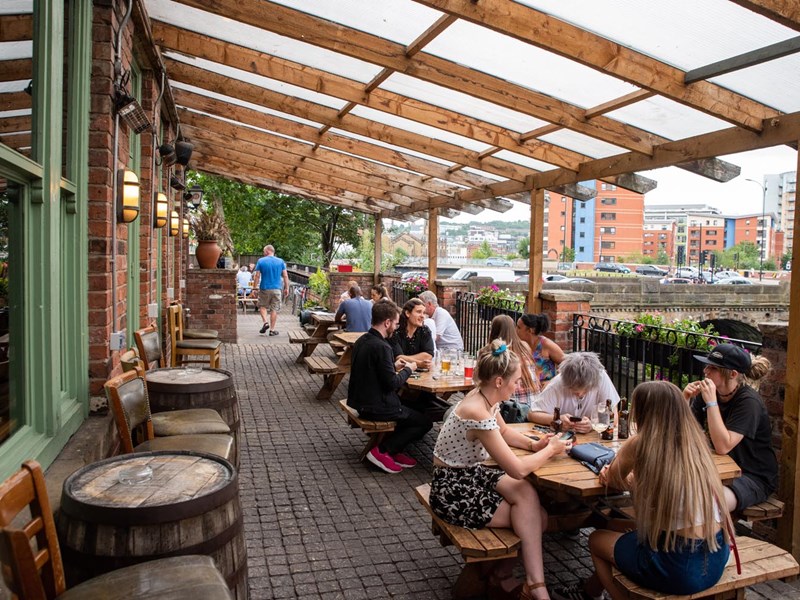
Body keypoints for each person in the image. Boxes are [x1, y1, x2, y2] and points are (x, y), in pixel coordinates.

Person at [553, 381, 731, 600]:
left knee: (596, 539)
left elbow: (613, 480)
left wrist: (617, 474)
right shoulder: (696, 442)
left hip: (678, 567)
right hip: (715, 556)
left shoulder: (642, 442)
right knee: (614, 524)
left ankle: (605, 596)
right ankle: (589, 590)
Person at [430, 339, 571, 600]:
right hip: (452, 489)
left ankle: (518, 581)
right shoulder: (477, 411)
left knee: (528, 496)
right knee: (536, 518)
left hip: (470, 475)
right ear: (498, 381)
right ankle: (530, 586)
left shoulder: (483, 397)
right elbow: (517, 469)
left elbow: (504, 431)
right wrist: (549, 450)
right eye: (516, 381)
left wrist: (534, 444)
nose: (518, 386)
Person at [683, 343, 777, 512]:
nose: (706, 371)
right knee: (674, 488)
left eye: (713, 368)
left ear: (732, 374)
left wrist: (711, 403)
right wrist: (685, 400)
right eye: (707, 366)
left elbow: (723, 446)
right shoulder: (709, 394)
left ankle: (716, 538)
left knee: (706, 505)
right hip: (718, 470)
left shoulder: (749, 402)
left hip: (751, 477)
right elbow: (685, 433)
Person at [347, 301, 432, 473]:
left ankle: (395, 450)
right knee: (424, 422)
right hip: (374, 405)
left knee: (413, 408)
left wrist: (394, 367)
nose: (395, 326)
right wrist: (409, 369)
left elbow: (374, 371)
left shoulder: (363, 340)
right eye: (394, 323)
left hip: (360, 399)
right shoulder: (382, 347)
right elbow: (392, 384)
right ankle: (383, 451)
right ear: (387, 323)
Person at [527, 352, 619, 432]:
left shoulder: (601, 377)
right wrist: (557, 419)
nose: (580, 394)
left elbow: (613, 417)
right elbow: (532, 414)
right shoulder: (557, 383)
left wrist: (592, 425)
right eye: (574, 390)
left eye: (586, 390)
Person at [488, 315, 540, 415]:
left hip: (514, 410)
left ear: (493, 331)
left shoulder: (496, 352)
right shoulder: (524, 346)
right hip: (535, 408)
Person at [252, 245, 289, 336]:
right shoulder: (280, 261)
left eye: (264, 251)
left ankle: (265, 322)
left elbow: (257, 276)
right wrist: (286, 288)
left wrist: (254, 288)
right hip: (277, 289)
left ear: (268, 251)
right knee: (274, 309)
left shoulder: (261, 261)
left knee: (262, 306)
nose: (263, 253)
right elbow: (285, 275)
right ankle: (272, 330)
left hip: (264, 288)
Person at [517, 314, 564, 385]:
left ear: (530, 330)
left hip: (547, 392)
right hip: (529, 392)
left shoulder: (546, 344)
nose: (515, 330)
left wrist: (551, 382)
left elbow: (569, 366)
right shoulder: (520, 345)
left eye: (518, 327)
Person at [389, 297, 434, 370]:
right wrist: (419, 363)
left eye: (424, 313)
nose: (422, 316)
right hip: (399, 374)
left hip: (421, 374)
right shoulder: (395, 331)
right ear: (407, 313)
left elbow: (428, 355)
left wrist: (405, 358)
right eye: (419, 312)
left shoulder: (424, 330)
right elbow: (398, 358)